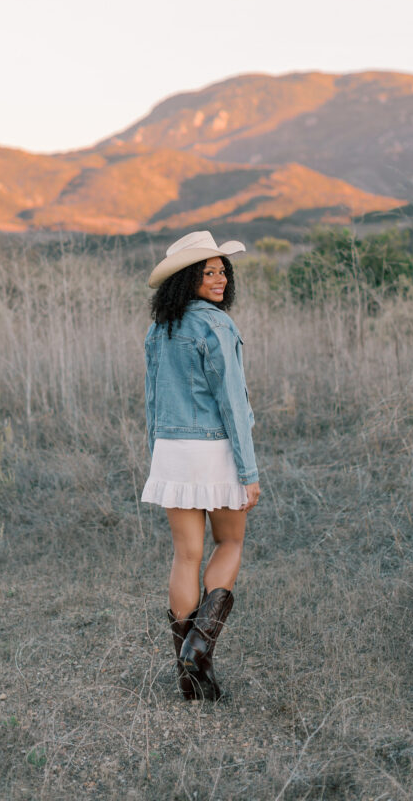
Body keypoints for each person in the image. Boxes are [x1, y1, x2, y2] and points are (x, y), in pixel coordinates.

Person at [142, 230, 260, 701]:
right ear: (187, 278)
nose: (219, 278)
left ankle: (188, 674)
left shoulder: (159, 328)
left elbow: (152, 398)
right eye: (208, 271)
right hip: (213, 448)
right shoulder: (216, 325)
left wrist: (159, 451)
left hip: (172, 449)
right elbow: (231, 402)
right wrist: (248, 472)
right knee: (230, 540)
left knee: (185, 556)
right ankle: (198, 648)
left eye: (222, 270)